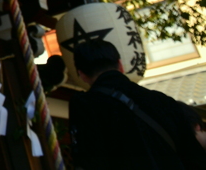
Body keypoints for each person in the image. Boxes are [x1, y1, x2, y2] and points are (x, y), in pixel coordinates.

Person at [69, 40, 206, 169]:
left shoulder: (85, 105)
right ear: (120, 65)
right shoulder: (162, 101)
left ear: (82, 75)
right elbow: (194, 157)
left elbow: (89, 160)